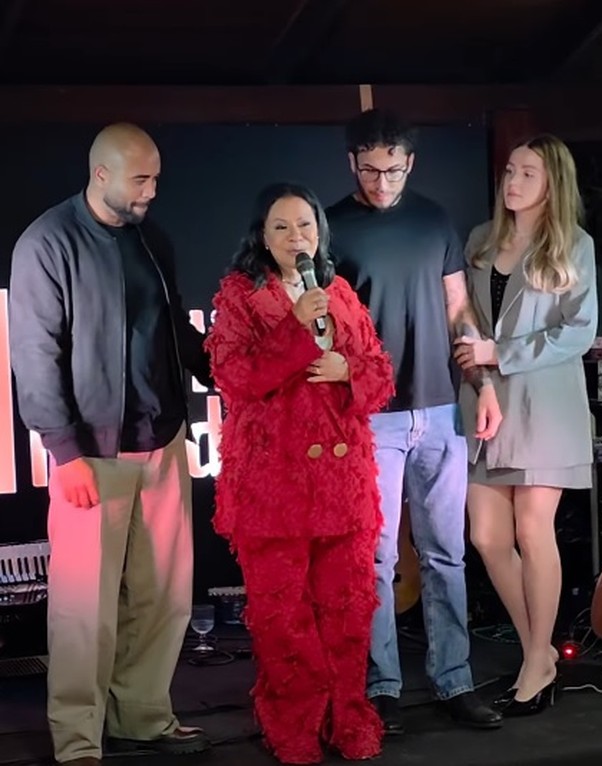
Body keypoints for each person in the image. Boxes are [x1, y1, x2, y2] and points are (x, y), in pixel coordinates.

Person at [8, 123, 213, 766]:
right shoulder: (47, 242)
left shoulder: (153, 238)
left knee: (164, 598)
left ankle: (143, 717)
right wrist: (64, 452)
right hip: (91, 454)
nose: (152, 191)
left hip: (163, 442)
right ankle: (78, 740)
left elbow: (173, 326)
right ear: (101, 175)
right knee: (83, 609)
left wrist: (225, 368)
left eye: (156, 178)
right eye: (141, 180)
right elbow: (34, 354)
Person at [326, 108, 503, 734]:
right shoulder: (329, 228)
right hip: (370, 417)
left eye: (394, 171)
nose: (382, 183)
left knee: (446, 555)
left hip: (440, 409)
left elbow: (459, 311)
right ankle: (382, 689)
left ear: (410, 164)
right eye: (371, 170)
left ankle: (455, 681)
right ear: (352, 163)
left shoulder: (434, 220)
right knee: (375, 560)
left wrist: (481, 384)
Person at [204, 183, 395, 764]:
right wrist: (293, 328)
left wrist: (348, 370)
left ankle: (348, 716)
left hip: (343, 484)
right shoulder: (241, 297)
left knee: (347, 611)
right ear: (262, 237)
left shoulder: (340, 292)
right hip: (275, 486)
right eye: (282, 228)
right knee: (284, 619)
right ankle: (294, 726)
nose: (296, 238)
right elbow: (235, 378)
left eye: (305, 226)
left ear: (321, 233)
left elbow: (381, 375)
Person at [456, 134, 598, 716]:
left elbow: (579, 330)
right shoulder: (479, 240)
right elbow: (462, 317)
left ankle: (536, 662)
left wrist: (500, 353)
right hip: (483, 403)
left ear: (552, 183)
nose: (513, 182)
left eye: (527, 173)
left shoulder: (574, 244)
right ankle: (538, 652)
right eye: (510, 171)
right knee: (487, 538)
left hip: (545, 406)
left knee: (533, 530)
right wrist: (479, 363)